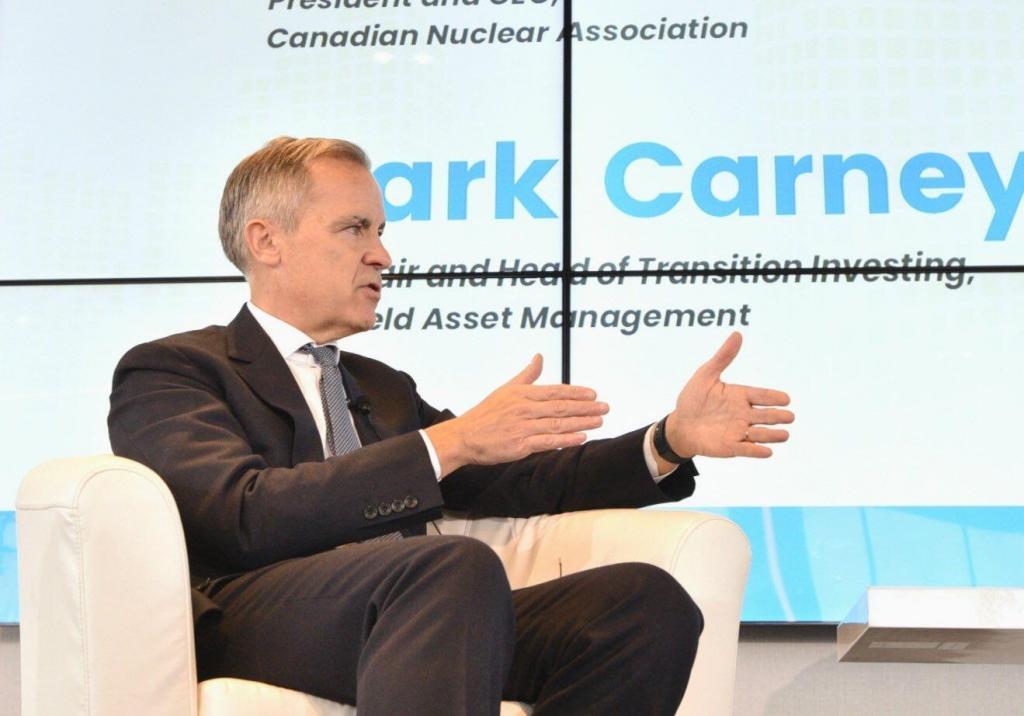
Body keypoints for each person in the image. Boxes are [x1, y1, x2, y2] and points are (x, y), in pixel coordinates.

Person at [108, 137, 794, 715]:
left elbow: (519, 482)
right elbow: (239, 515)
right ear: (267, 241)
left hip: (423, 610)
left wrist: (669, 441)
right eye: (355, 229)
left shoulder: (380, 387)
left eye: (381, 232)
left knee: (641, 603)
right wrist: (449, 442)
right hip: (257, 616)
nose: (382, 256)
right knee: (449, 569)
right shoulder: (174, 369)